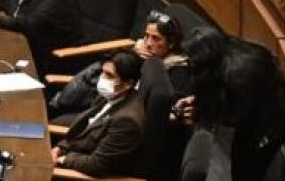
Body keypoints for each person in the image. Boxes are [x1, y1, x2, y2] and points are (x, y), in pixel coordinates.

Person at [184, 26, 285, 181]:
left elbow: (235, 117)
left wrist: (204, 110)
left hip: (267, 128)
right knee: (238, 172)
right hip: (253, 120)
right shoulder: (225, 52)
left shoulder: (240, 72)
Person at [47, 9, 190, 122]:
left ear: (171, 43)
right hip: (101, 104)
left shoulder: (177, 71)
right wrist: (132, 56)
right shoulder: (140, 55)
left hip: (121, 120)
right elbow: (106, 72)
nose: (148, 43)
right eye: (146, 36)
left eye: (156, 39)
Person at [52, 50, 146, 178]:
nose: (102, 78)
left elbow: (97, 165)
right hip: (75, 154)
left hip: (82, 178)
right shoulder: (112, 94)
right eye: (103, 71)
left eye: (109, 75)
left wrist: (63, 159)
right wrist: (59, 148)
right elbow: (83, 130)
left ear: (128, 84)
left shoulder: (127, 121)